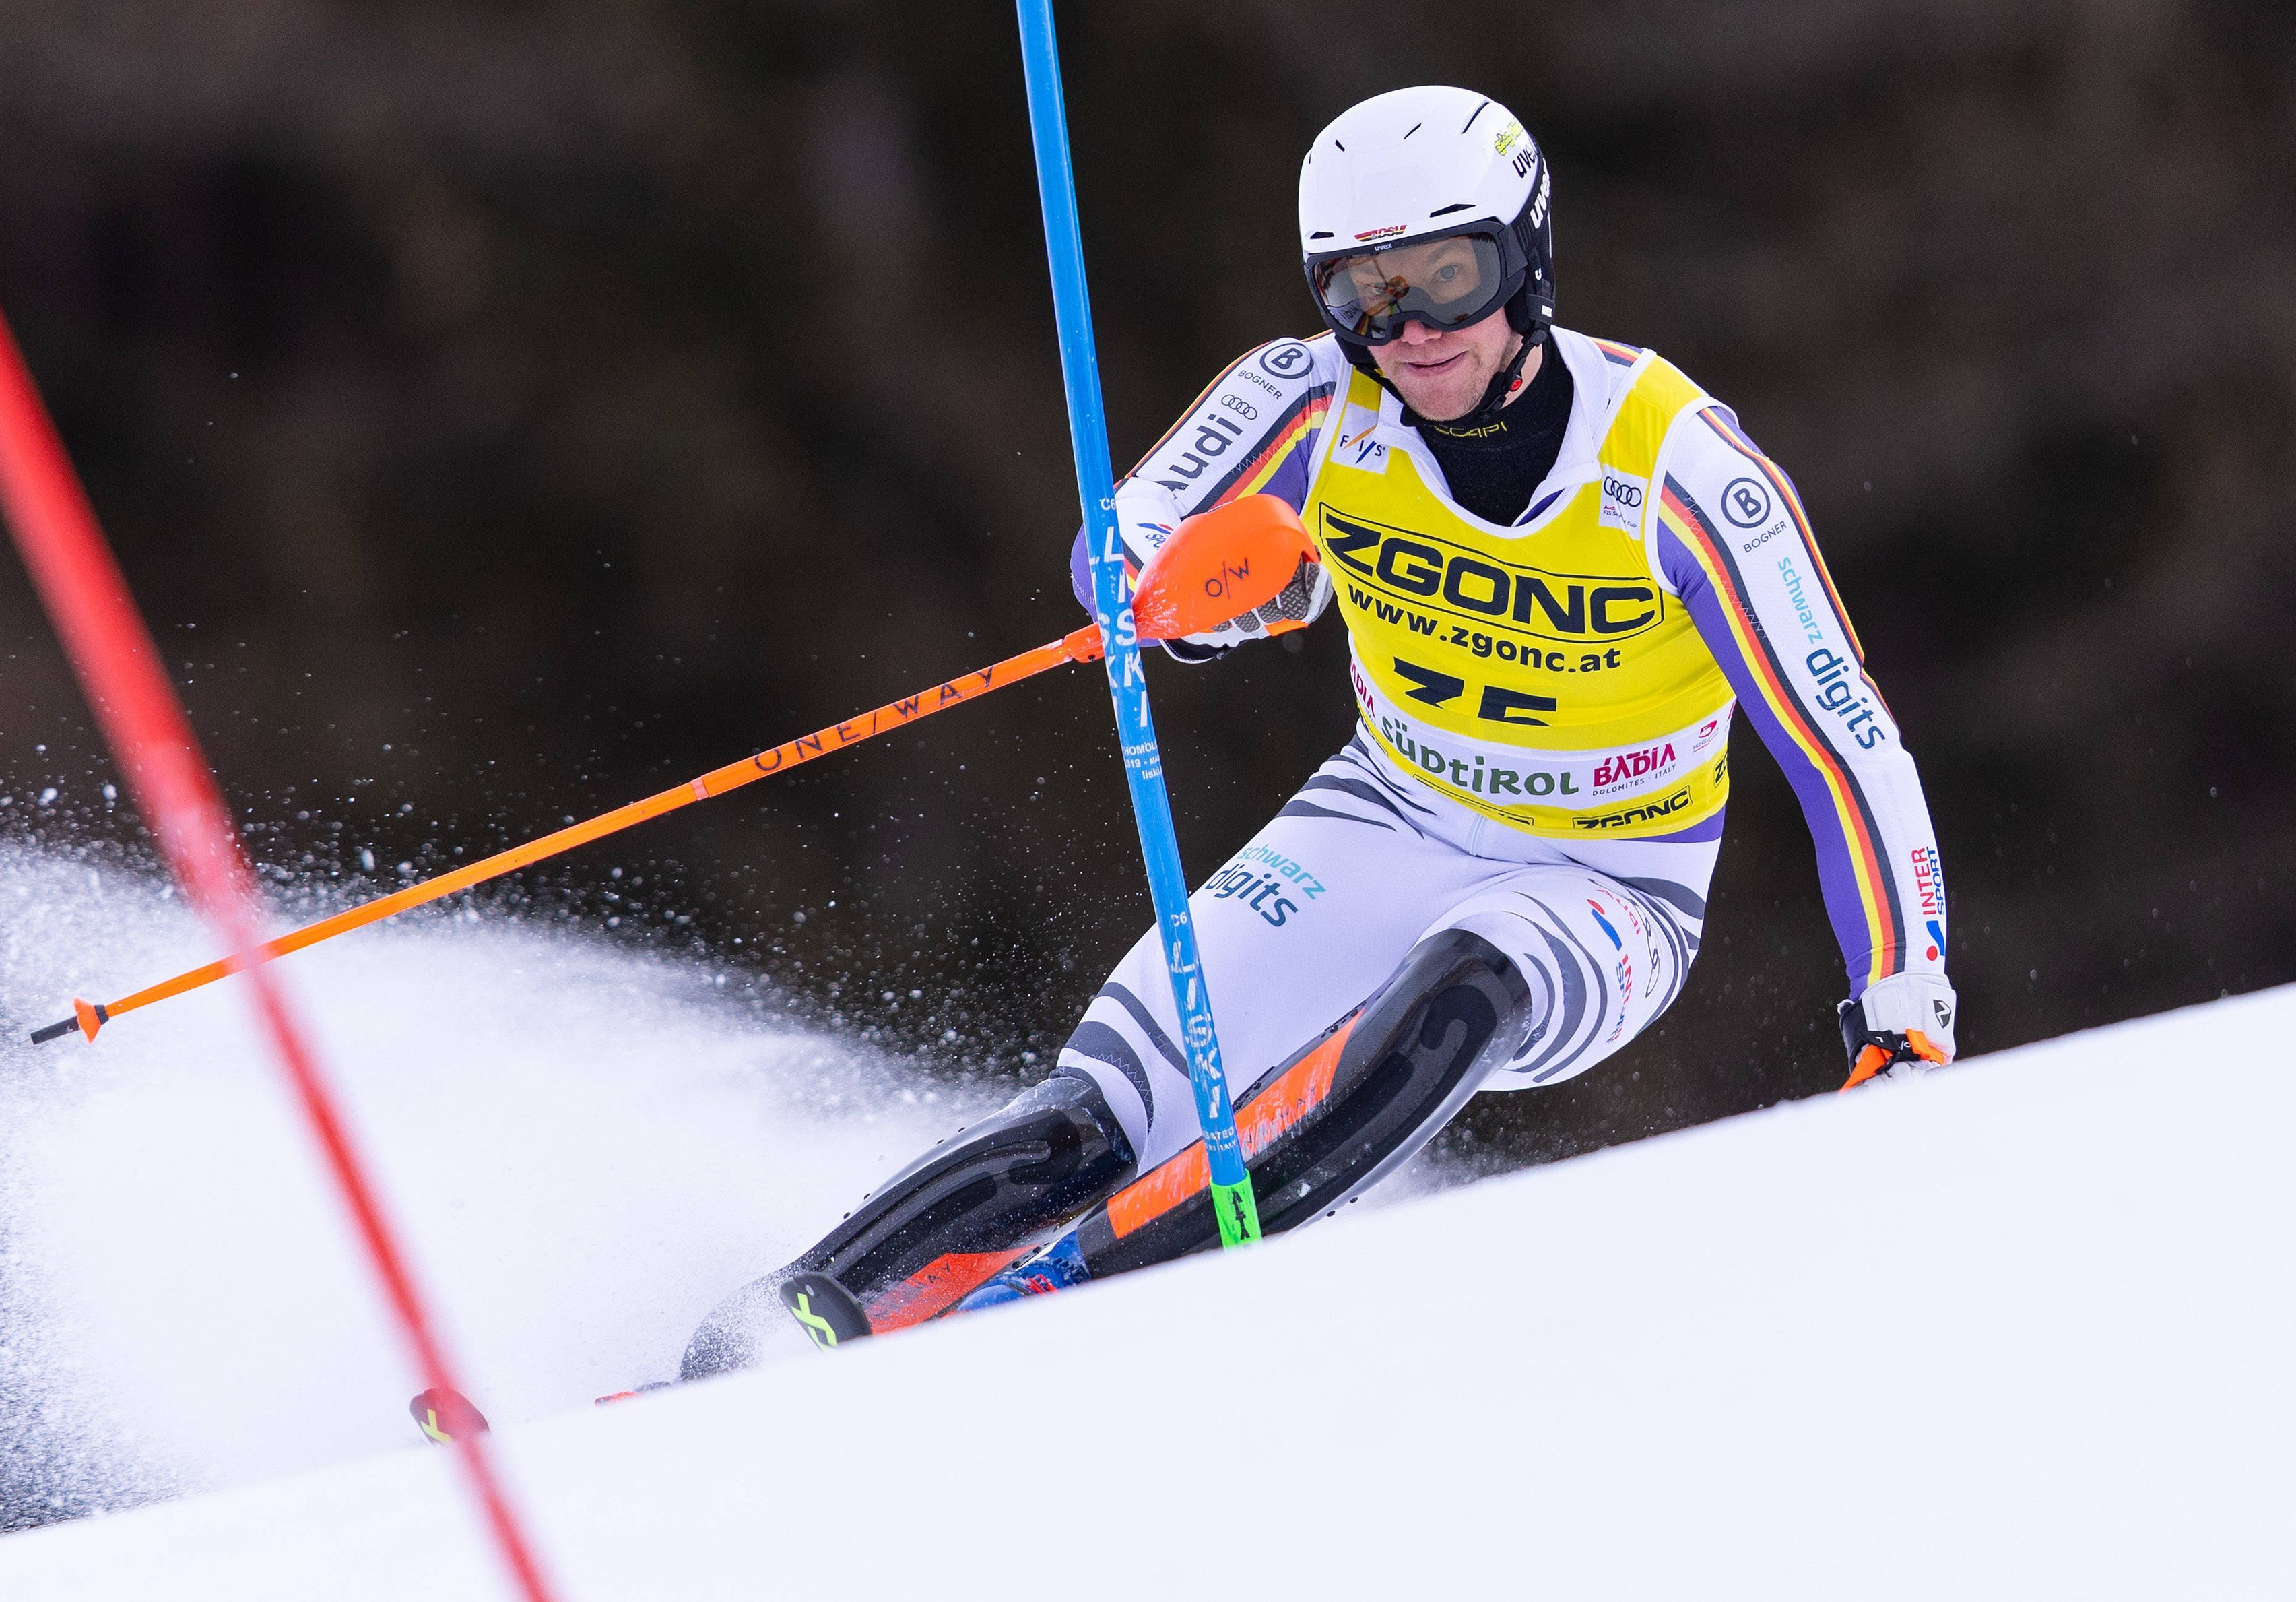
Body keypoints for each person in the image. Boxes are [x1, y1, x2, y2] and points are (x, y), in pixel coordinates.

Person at [680, 84, 1956, 1373]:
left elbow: (1843, 746)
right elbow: (1121, 543)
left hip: (1607, 877)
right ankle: (775, 1327)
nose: (1409, 331)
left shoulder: (1678, 467)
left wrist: (1903, 1011)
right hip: (1383, 817)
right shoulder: (1307, 400)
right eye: (1361, 291)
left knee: (1466, 984)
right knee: (1103, 1114)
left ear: (1527, 256)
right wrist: (1178, 599)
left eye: (1448, 278)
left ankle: (1058, 1310)